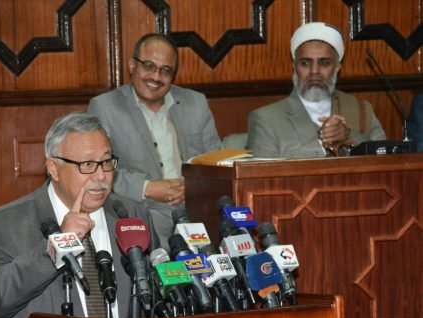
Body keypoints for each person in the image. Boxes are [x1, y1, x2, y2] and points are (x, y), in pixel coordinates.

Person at [0, 112, 158, 318]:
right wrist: (57, 244)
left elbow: (155, 299)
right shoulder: (5, 223)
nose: (101, 176)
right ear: (54, 167)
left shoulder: (131, 215)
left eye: (106, 162)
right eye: (87, 165)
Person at [88, 33, 221, 246]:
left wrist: (193, 187)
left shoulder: (196, 103)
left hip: (197, 204)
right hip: (143, 208)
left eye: (165, 70)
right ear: (132, 65)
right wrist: (148, 187)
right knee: (164, 251)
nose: (156, 76)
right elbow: (97, 169)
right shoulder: (105, 107)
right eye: (148, 66)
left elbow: (216, 163)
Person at [247, 22, 386, 159]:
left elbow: (384, 159)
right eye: (305, 63)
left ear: (337, 67)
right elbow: (263, 173)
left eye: (324, 63)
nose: (314, 71)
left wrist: (348, 136)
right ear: (294, 67)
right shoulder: (266, 119)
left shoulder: (361, 109)